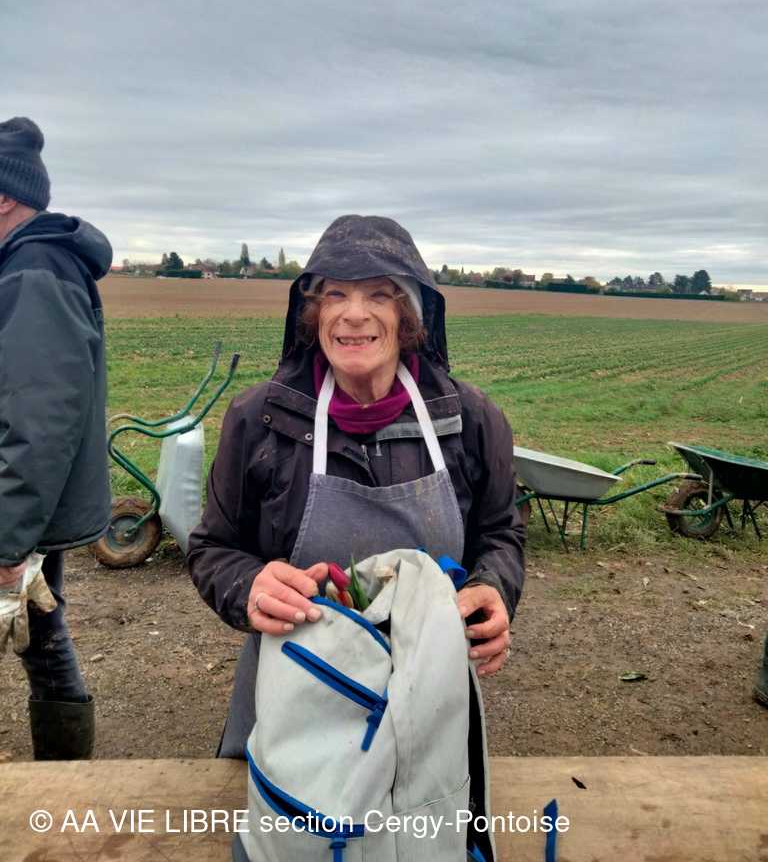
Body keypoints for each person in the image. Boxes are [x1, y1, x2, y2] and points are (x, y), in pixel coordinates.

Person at [187, 213, 526, 761]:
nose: (354, 314)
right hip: (294, 690)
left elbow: (501, 533)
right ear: (313, 313)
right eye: (335, 294)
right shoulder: (259, 419)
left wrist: (494, 588)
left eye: (380, 295)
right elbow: (213, 548)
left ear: (411, 315)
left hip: (428, 690)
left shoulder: (469, 419)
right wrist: (247, 586)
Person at [0, 116, 113, 759]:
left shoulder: (34, 268)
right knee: (40, 633)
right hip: (26, 501)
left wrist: (7, 540)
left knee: (40, 634)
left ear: (4, 197)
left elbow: (39, 419)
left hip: (19, 503)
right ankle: (61, 780)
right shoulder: (29, 263)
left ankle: (60, 786)